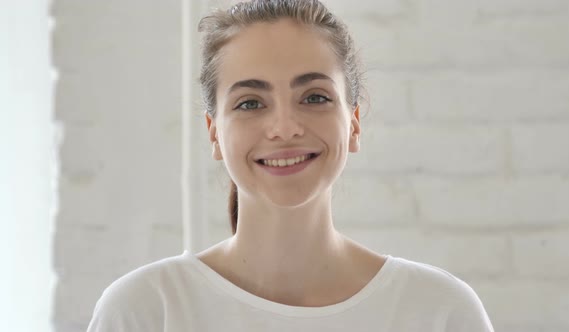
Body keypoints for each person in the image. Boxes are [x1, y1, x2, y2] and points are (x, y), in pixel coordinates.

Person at [87, 0, 495, 331]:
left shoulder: (438, 312)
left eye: (314, 97)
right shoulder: (146, 311)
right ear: (214, 133)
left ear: (353, 123)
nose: (284, 128)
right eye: (250, 103)